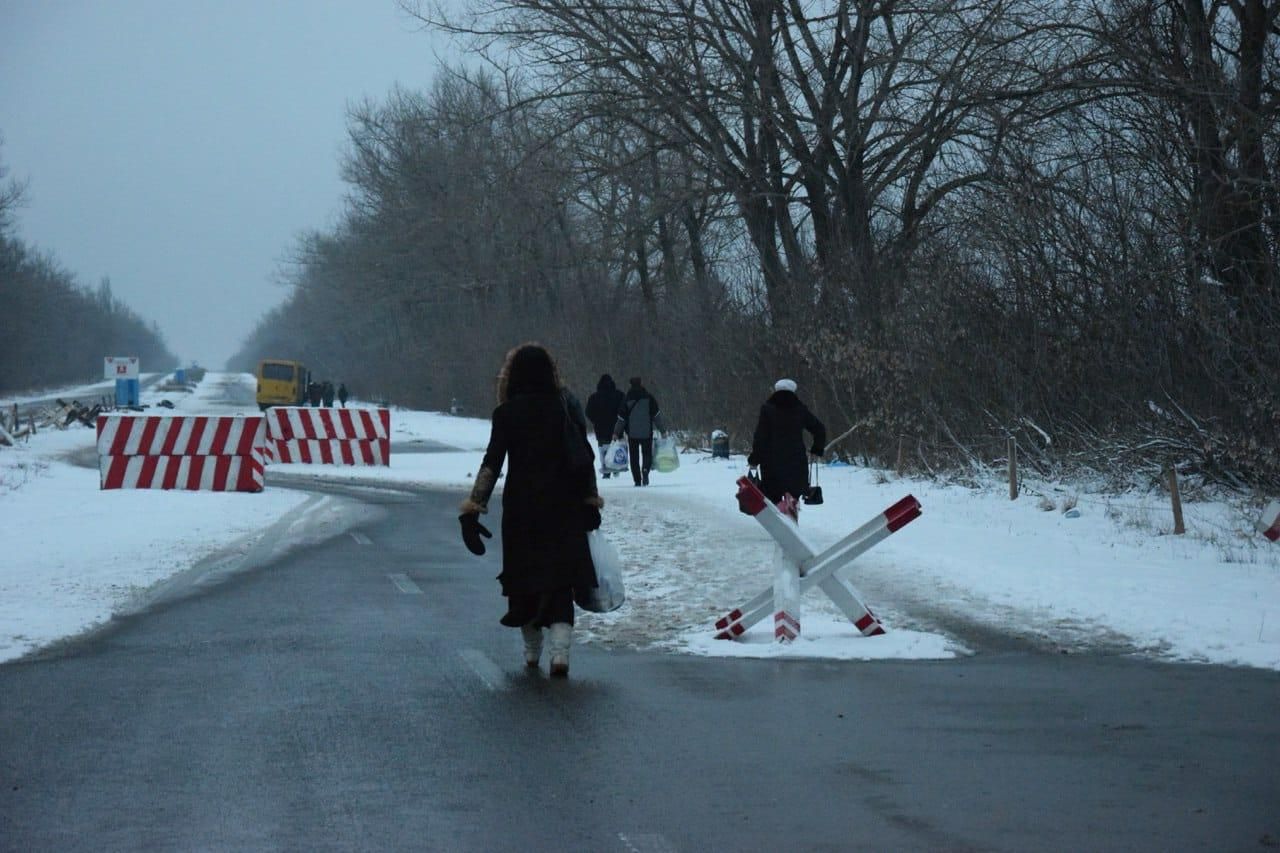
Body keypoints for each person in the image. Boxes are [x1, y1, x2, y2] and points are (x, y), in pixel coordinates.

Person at [458, 343, 603, 677]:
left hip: (522, 509)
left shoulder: (507, 414)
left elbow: (492, 463)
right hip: (564, 506)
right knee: (561, 579)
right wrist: (589, 501)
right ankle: (560, 652)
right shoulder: (563, 407)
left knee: (525, 578)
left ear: (512, 376)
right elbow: (583, 458)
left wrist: (473, 509)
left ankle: (532, 649)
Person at [747, 378, 826, 518]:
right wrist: (817, 449)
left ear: (776, 390)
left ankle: (778, 516)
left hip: (772, 462)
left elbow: (760, 437)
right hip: (796, 462)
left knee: (772, 492)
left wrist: (754, 459)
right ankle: (791, 510)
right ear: (793, 391)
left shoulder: (768, 409)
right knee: (794, 491)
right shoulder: (800, 410)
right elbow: (819, 429)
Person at [613, 376, 665, 486]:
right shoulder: (649, 397)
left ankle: (637, 480)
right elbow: (656, 416)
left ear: (630, 384)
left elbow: (621, 419)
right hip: (646, 432)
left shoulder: (627, 399)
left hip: (632, 433)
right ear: (641, 383)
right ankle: (645, 469)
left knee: (634, 457)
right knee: (647, 453)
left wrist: (616, 433)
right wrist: (662, 430)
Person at [585, 374, 625, 478]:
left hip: (600, 428)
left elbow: (588, 412)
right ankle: (616, 467)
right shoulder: (619, 395)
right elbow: (624, 410)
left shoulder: (594, 397)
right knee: (616, 447)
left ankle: (606, 470)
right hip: (616, 428)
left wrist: (595, 420)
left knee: (603, 449)